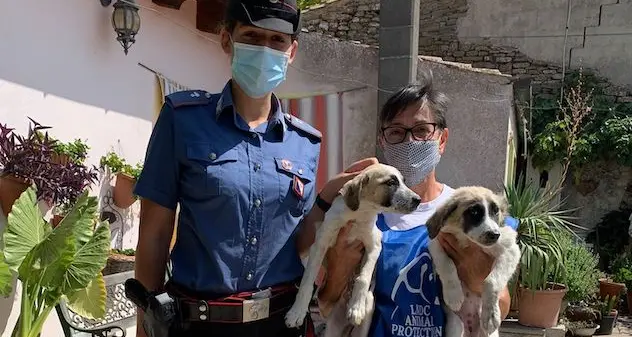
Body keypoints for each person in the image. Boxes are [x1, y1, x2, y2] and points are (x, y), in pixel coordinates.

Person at [133, 0, 377, 336]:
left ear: (291, 52)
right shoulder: (182, 119)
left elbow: (299, 242)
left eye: (277, 41)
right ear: (226, 40)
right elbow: (154, 234)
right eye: (251, 36)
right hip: (199, 324)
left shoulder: (305, 143)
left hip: (281, 322)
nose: (265, 49)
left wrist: (326, 197)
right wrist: (145, 326)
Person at [311, 75, 518, 337]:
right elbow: (328, 306)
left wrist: (473, 273)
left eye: (421, 130)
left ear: (441, 140)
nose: (410, 142)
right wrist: (340, 266)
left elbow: (502, 306)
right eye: (396, 132)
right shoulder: (366, 218)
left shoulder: (474, 214)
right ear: (383, 142)